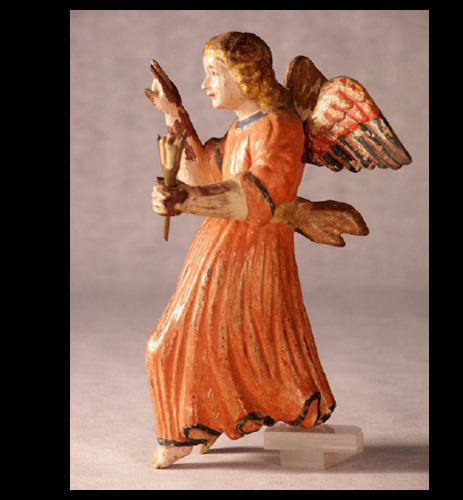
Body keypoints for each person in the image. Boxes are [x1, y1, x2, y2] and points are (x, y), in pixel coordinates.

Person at [145, 32, 336, 469]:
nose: (205, 83)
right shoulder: (241, 127)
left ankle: (181, 430)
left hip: (251, 253)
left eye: (214, 73)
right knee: (229, 344)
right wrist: (174, 112)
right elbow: (201, 173)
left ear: (244, 75)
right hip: (223, 248)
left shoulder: (281, 126)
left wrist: (187, 200)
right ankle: (204, 417)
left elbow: (259, 194)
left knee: (173, 342)